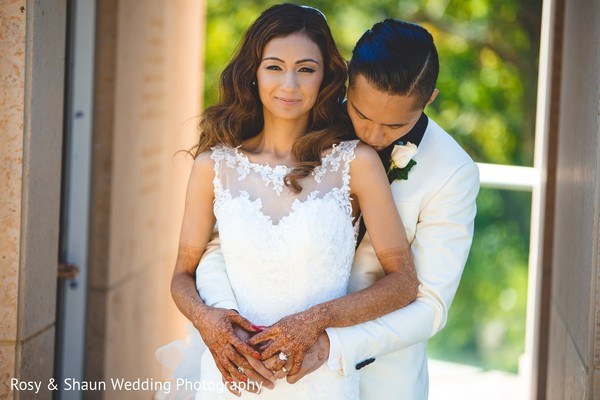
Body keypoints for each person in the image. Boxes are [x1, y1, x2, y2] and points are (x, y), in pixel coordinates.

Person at [194, 17, 481, 400]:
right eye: (361, 114)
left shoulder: (453, 172)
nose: (371, 136)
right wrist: (227, 319)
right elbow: (226, 236)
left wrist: (332, 344)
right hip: (260, 359)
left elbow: (430, 305)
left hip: (379, 375)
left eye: (394, 125)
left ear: (428, 99)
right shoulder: (308, 123)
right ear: (348, 83)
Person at [167, 4, 420, 399]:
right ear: (253, 71)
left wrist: (318, 320)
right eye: (274, 66)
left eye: (306, 69)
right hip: (230, 381)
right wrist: (208, 321)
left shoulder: (356, 163)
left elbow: (403, 282)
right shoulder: (213, 166)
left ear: (327, 77)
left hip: (319, 381)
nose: (289, 84)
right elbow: (182, 276)